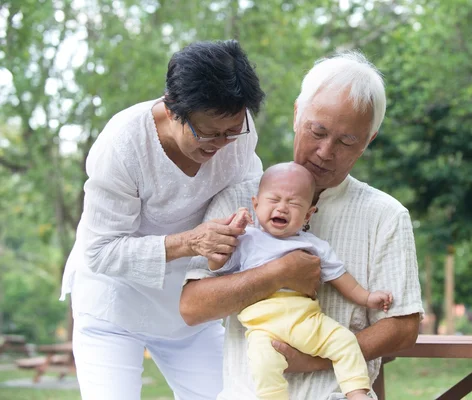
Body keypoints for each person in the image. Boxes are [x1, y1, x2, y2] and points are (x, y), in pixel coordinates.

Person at [181, 51, 424, 400]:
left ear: (368, 140)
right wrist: (277, 273)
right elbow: (192, 307)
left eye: (346, 141)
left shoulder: (386, 215)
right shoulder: (238, 199)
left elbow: (403, 326)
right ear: (297, 115)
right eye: (318, 131)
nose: (325, 151)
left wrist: (314, 359)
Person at [58, 40, 270, 400]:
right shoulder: (123, 146)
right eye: (207, 132)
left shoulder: (239, 132)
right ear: (173, 110)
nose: (221, 143)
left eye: (231, 130)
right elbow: (100, 251)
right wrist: (190, 242)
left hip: (187, 311)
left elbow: (244, 199)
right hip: (113, 304)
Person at [209, 162, 393, 400]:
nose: (282, 208)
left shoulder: (312, 244)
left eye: (293, 203)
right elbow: (217, 266)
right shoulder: (247, 240)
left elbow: (341, 277)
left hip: (307, 321)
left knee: (345, 342)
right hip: (263, 327)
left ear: (308, 214)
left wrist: (367, 298)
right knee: (262, 363)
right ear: (256, 205)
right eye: (273, 200)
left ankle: (356, 392)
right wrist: (230, 234)